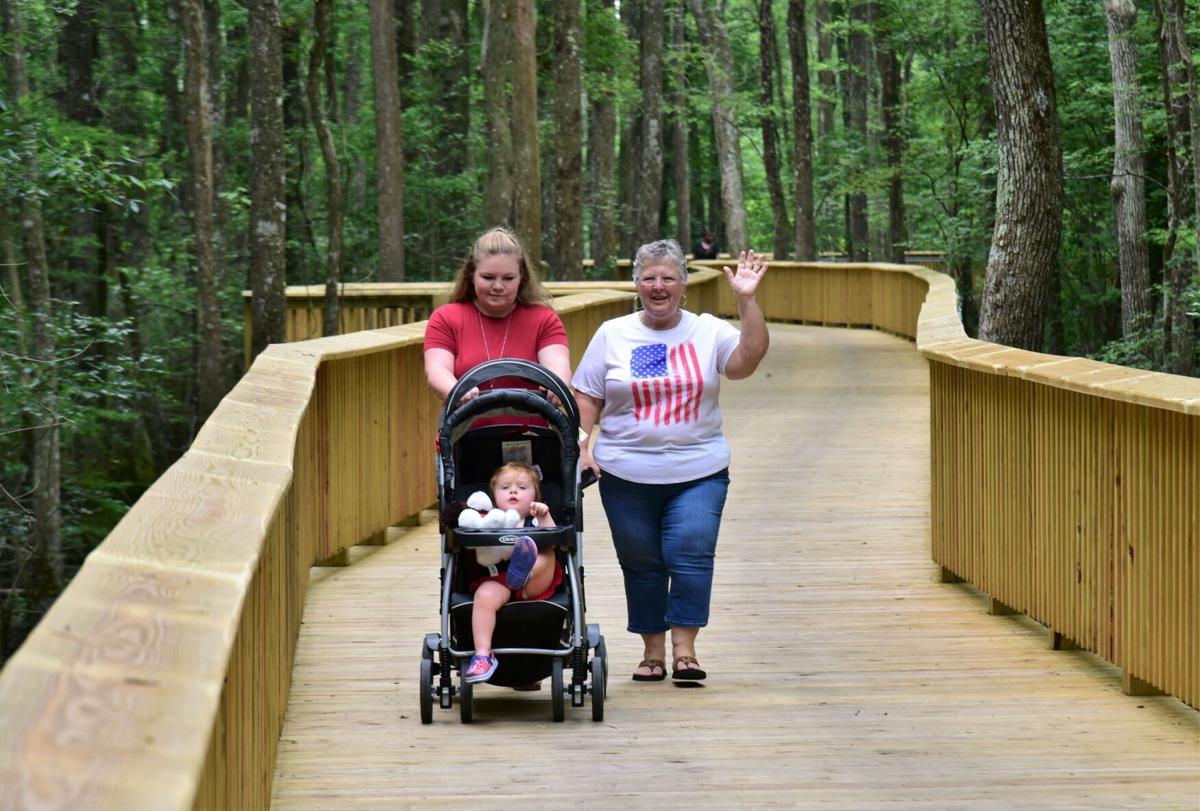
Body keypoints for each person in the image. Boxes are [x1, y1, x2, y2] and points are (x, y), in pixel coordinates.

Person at [571, 239, 769, 684]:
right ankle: (652, 653)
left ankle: (686, 651)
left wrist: (747, 299)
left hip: (698, 468)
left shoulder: (707, 331)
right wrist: (582, 446)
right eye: (649, 278)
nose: (658, 286)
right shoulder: (612, 333)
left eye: (668, 278)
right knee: (641, 561)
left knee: (691, 552)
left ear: (683, 285)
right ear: (636, 284)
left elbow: (746, 361)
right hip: (624, 470)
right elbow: (587, 395)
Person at [424, 227, 572, 405]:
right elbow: (437, 369)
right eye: (488, 277)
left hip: (532, 432)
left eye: (508, 278)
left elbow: (558, 362)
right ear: (472, 275)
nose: (498, 286)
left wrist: (557, 383)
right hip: (463, 430)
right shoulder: (445, 317)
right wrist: (456, 389)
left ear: (521, 277)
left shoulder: (544, 319)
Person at [463, 462, 561, 684]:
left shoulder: (536, 518)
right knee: (484, 596)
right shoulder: (489, 518)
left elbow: (555, 537)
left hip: (535, 582)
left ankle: (525, 568)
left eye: (522, 487)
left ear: (536, 494)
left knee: (547, 552)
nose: (513, 491)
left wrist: (544, 517)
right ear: (493, 495)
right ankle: (482, 655)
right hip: (500, 578)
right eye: (505, 487)